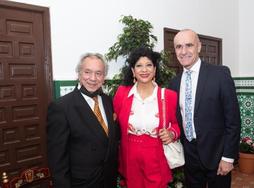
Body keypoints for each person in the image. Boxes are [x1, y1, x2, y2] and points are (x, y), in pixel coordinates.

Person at [168, 29, 241, 188]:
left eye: (189, 45)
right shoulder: (174, 83)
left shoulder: (220, 75)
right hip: (190, 157)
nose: (184, 51)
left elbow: (233, 120)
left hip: (217, 155)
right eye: (179, 47)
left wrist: (228, 157)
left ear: (199, 47)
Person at [47, 53, 120, 188]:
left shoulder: (108, 101)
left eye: (99, 73)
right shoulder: (61, 107)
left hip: (108, 180)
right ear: (79, 73)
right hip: (81, 183)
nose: (93, 78)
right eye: (87, 72)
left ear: (104, 77)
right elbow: (57, 160)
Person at [113, 47, 181, 188]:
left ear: (155, 69)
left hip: (156, 157)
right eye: (139, 65)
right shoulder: (122, 94)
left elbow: (176, 124)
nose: (144, 70)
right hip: (129, 158)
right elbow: (113, 123)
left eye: (149, 65)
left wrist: (172, 134)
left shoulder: (168, 96)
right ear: (133, 71)